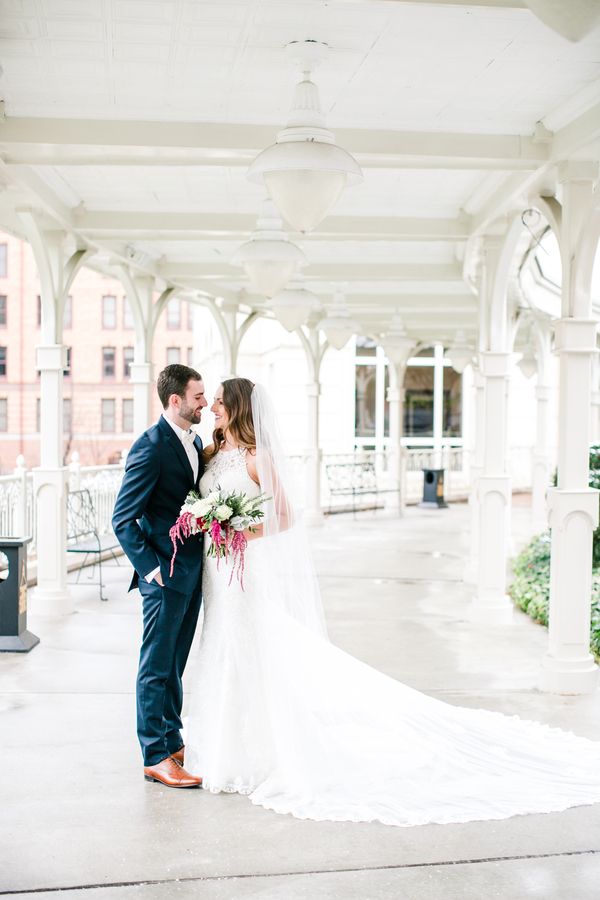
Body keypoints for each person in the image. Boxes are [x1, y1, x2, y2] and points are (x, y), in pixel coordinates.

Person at [184, 377, 600, 827]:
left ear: (241, 407)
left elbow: (286, 515)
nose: (213, 409)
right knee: (221, 645)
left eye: (222, 403)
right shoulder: (212, 452)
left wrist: (239, 532)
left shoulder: (257, 457)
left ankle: (254, 752)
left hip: (244, 569)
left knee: (246, 650)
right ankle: (225, 743)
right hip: (215, 572)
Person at [112, 364, 207, 789]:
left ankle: (172, 740)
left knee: (174, 664)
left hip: (191, 572)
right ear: (176, 401)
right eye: (198, 396)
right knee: (155, 665)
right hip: (163, 577)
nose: (204, 402)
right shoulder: (149, 447)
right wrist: (152, 571)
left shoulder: (196, 439)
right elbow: (123, 519)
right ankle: (154, 754)